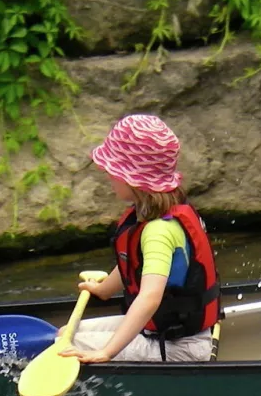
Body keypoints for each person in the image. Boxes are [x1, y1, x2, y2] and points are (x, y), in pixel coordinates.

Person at [62, 114, 220, 364]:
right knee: (64, 335)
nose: (108, 176)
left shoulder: (159, 231)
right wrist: (104, 290)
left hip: (179, 347)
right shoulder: (156, 210)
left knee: (64, 347)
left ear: (133, 179)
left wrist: (106, 352)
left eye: (112, 171)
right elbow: (134, 262)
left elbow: (149, 297)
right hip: (162, 331)